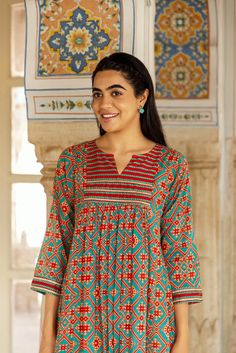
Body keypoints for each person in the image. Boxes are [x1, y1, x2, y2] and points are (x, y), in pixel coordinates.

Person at [31, 52, 202, 353]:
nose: (103, 104)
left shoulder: (170, 165)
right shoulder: (73, 161)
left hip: (147, 317)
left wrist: (183, 338)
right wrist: (47, 337)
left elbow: (179, 250)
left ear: (141, 97)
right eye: (97, 94)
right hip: (81, 314)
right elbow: (57, 245)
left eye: (115, 93)